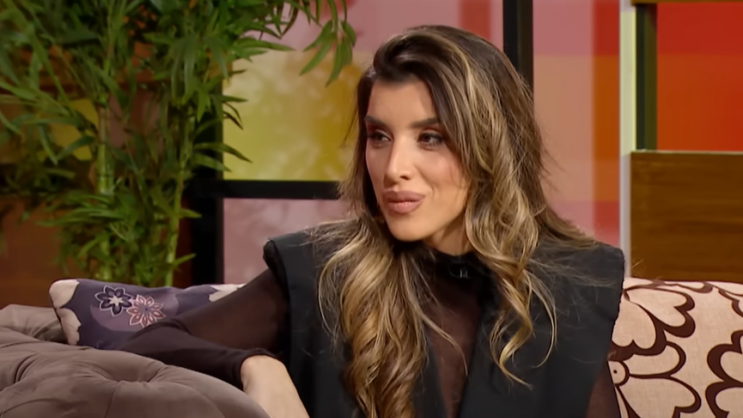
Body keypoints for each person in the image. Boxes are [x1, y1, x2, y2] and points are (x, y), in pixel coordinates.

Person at [118, 25, 625, 418]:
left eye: (430, 138)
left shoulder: (569, 287)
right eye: (379, 136)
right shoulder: (322, 270)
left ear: (493, 146)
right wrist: (256, 366)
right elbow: (146, 349)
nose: (393, 167)